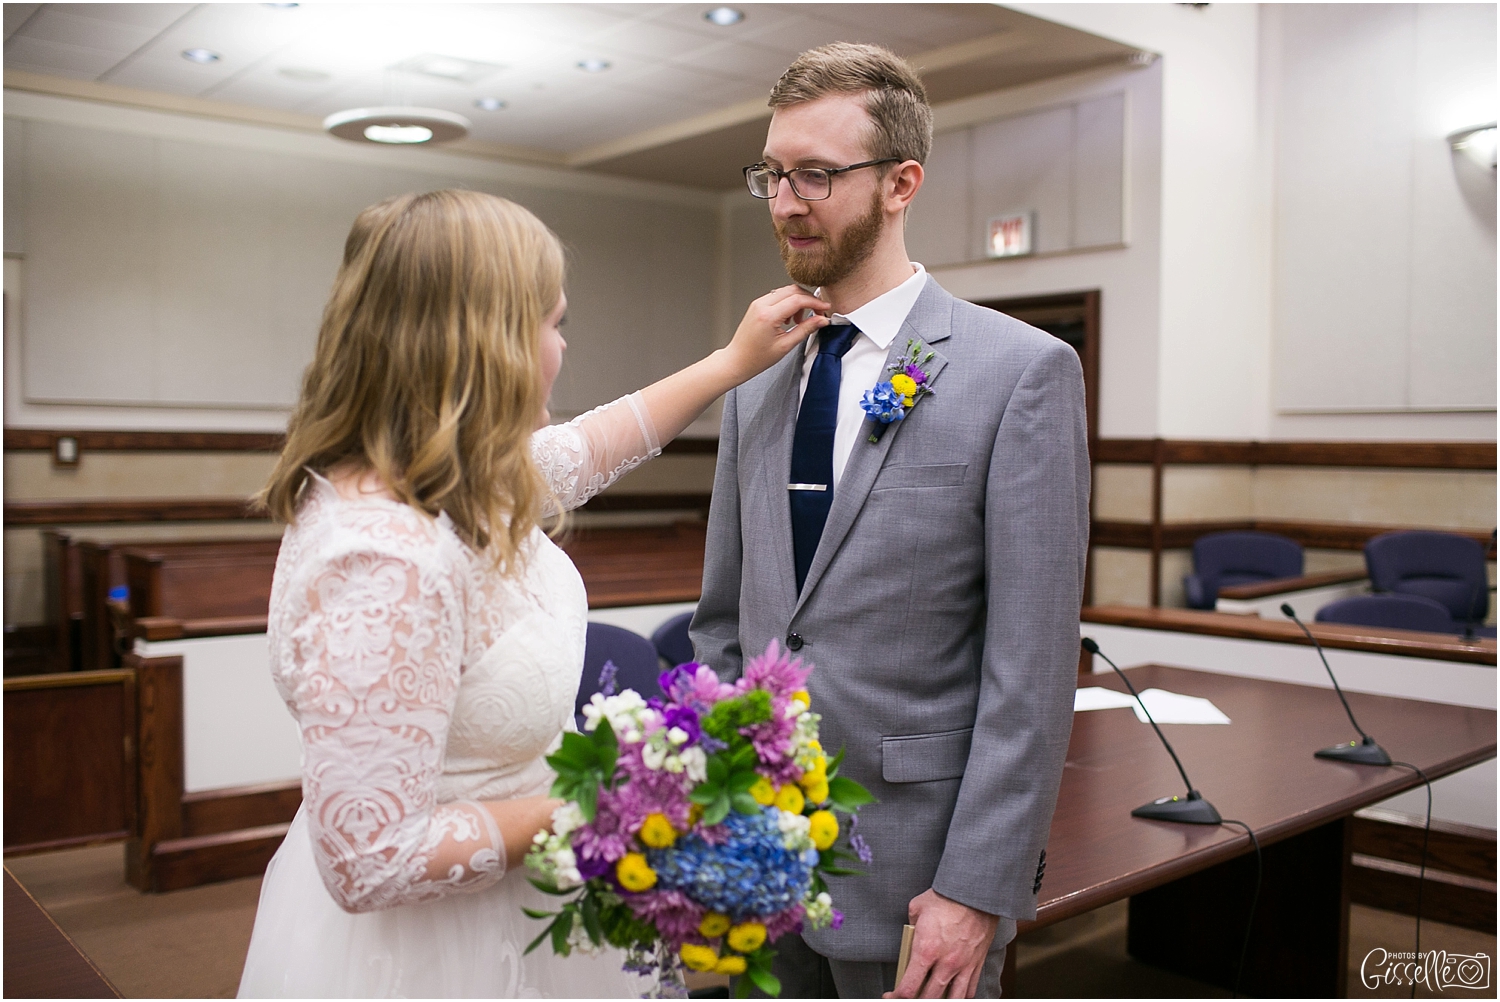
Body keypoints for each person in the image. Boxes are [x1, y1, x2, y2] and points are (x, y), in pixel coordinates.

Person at [235, 189, 828, 998]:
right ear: (488, 341)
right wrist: (607, 806)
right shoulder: (383, 556)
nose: (560, 348)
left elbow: (589, 447)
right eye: (552, 324)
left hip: (525, 913)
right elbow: (369, 861)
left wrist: (731, 362)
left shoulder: (456, 485)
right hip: (427, 955)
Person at [690, 43, 1091, 999]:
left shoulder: (1019, 373)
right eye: (774, 174)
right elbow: (723, 620)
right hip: (759, 862)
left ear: (901, 182)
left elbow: (1030, 669)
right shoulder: (755, 377)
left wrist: (977, 886)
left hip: (916, 869)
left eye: (818, 175)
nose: (787, 201)